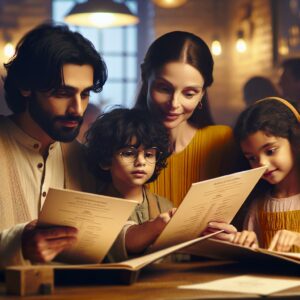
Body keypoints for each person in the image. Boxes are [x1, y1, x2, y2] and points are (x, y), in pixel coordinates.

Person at [0, 23, 107, 266]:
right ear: (26, 87)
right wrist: (16, 246)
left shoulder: (86, 161)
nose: (77, 109)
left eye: (85, 94)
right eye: (62, 93)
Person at [134, 30, 242, 235]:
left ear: (202, 93)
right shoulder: (119, 145)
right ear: (145, 77)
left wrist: (237, 235)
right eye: (164, 88)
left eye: (189, 93)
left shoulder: (222, 142)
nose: (174, 104)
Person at [85, 107, 175, 259]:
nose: (140, 162)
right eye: (128, 153)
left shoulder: (165, 206)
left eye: (148, 154)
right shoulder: (94, 209)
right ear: (105, 160)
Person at [232, 97, 300, 252]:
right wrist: (250, 245)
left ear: (296, 142)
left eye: (270, 151)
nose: (262, 163)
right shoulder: (258, 207)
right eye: (252, 158)